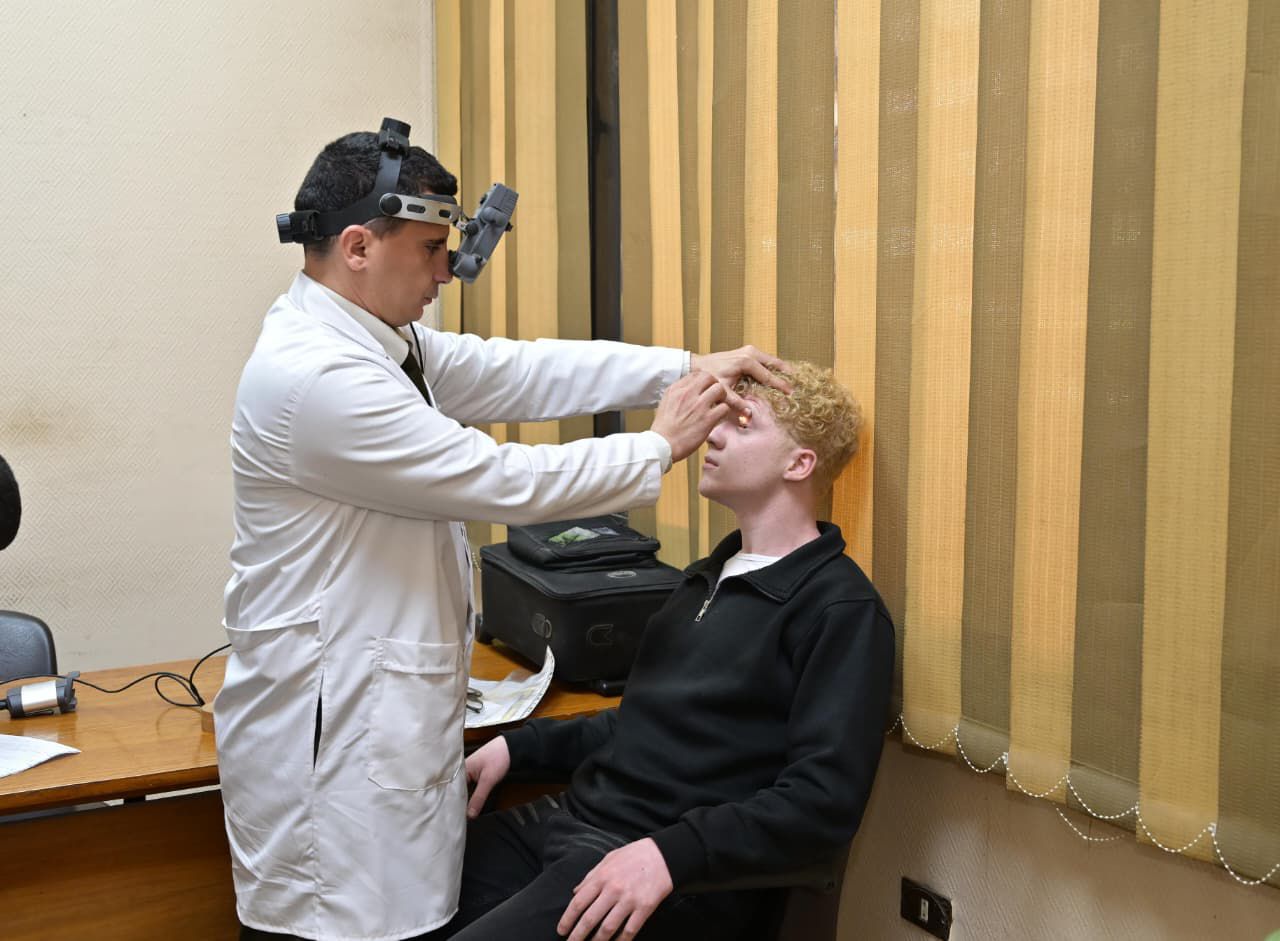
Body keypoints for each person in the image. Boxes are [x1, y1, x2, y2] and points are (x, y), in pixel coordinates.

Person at [215, 125, 788, 941]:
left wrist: (685, 367)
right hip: (330, 765)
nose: (445, 272)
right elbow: (502, 480)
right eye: (430, 250)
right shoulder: (316, 379)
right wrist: (659, 445)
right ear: (357, 247)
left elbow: (518, 369)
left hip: (381, 730)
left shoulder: (382, 341)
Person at [449, 362, 895, 941]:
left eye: (741, 425)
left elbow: (822, 803)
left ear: (799, 464)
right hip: (571, 823)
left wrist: (669, 856)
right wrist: (518, 747)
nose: (713, 434)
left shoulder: (839, 609)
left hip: (663, 868)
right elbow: (640, 725)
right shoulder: (704, 579)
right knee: (387, 902)